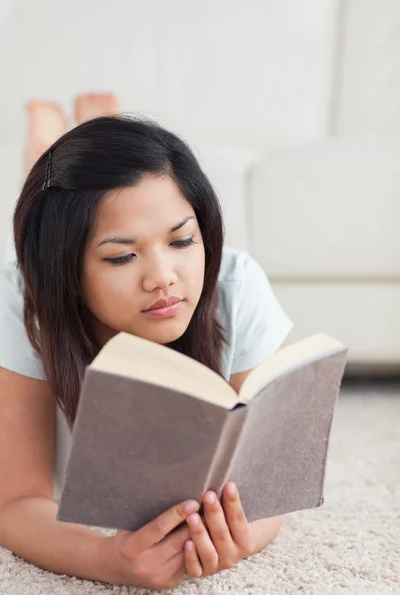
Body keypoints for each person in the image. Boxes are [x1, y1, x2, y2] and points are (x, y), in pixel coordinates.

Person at [0, 94, 293, 589]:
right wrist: (104, 558)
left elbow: (271, 491)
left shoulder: (235, 285)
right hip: (47, 259)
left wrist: (235, 536)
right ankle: (48, 140)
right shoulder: (20, 299)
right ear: (67, 273)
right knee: (58, 189)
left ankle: (96, 133)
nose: (164, 279)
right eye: (120, 258)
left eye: (181, 241)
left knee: (115, 197)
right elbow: (14, 502)